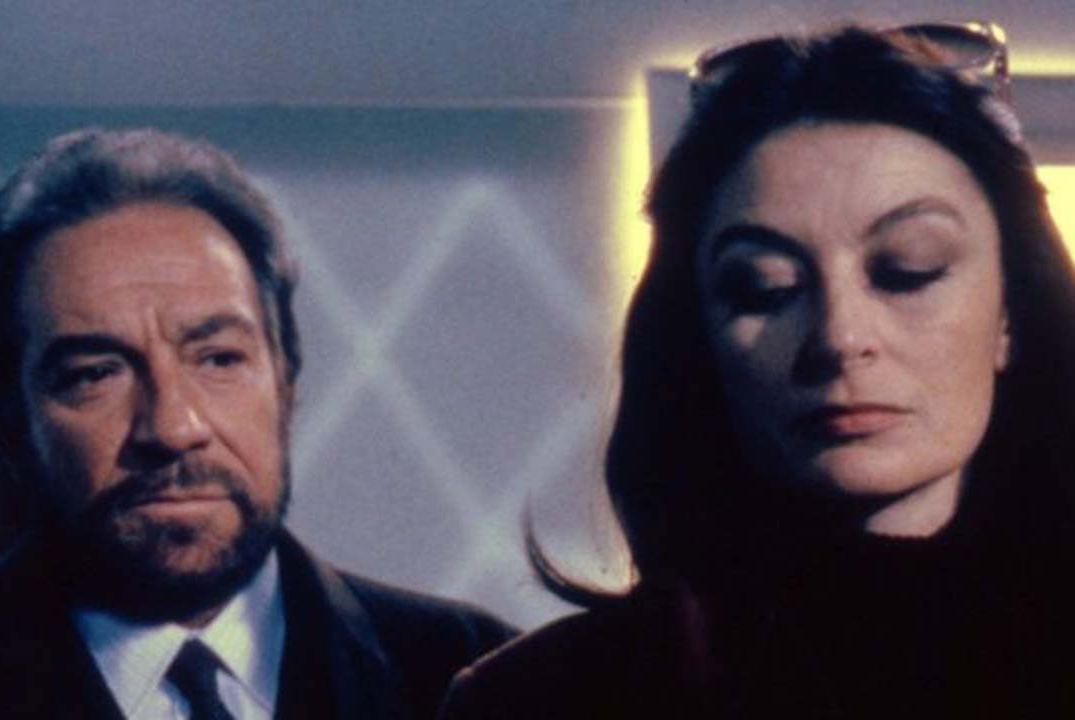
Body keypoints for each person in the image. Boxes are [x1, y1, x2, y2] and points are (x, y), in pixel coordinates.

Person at [441, 23, 1075, 719]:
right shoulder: (539, 699)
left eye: (907, 270)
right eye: (765, 289)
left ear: (1010, 314)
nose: (839, 337)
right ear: (697, 334)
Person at [0, 128, 514, 719]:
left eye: (219, 358)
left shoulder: (485, 679)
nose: (172, 427)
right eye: (95, 373)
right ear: (10, 419)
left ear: (286, 380)